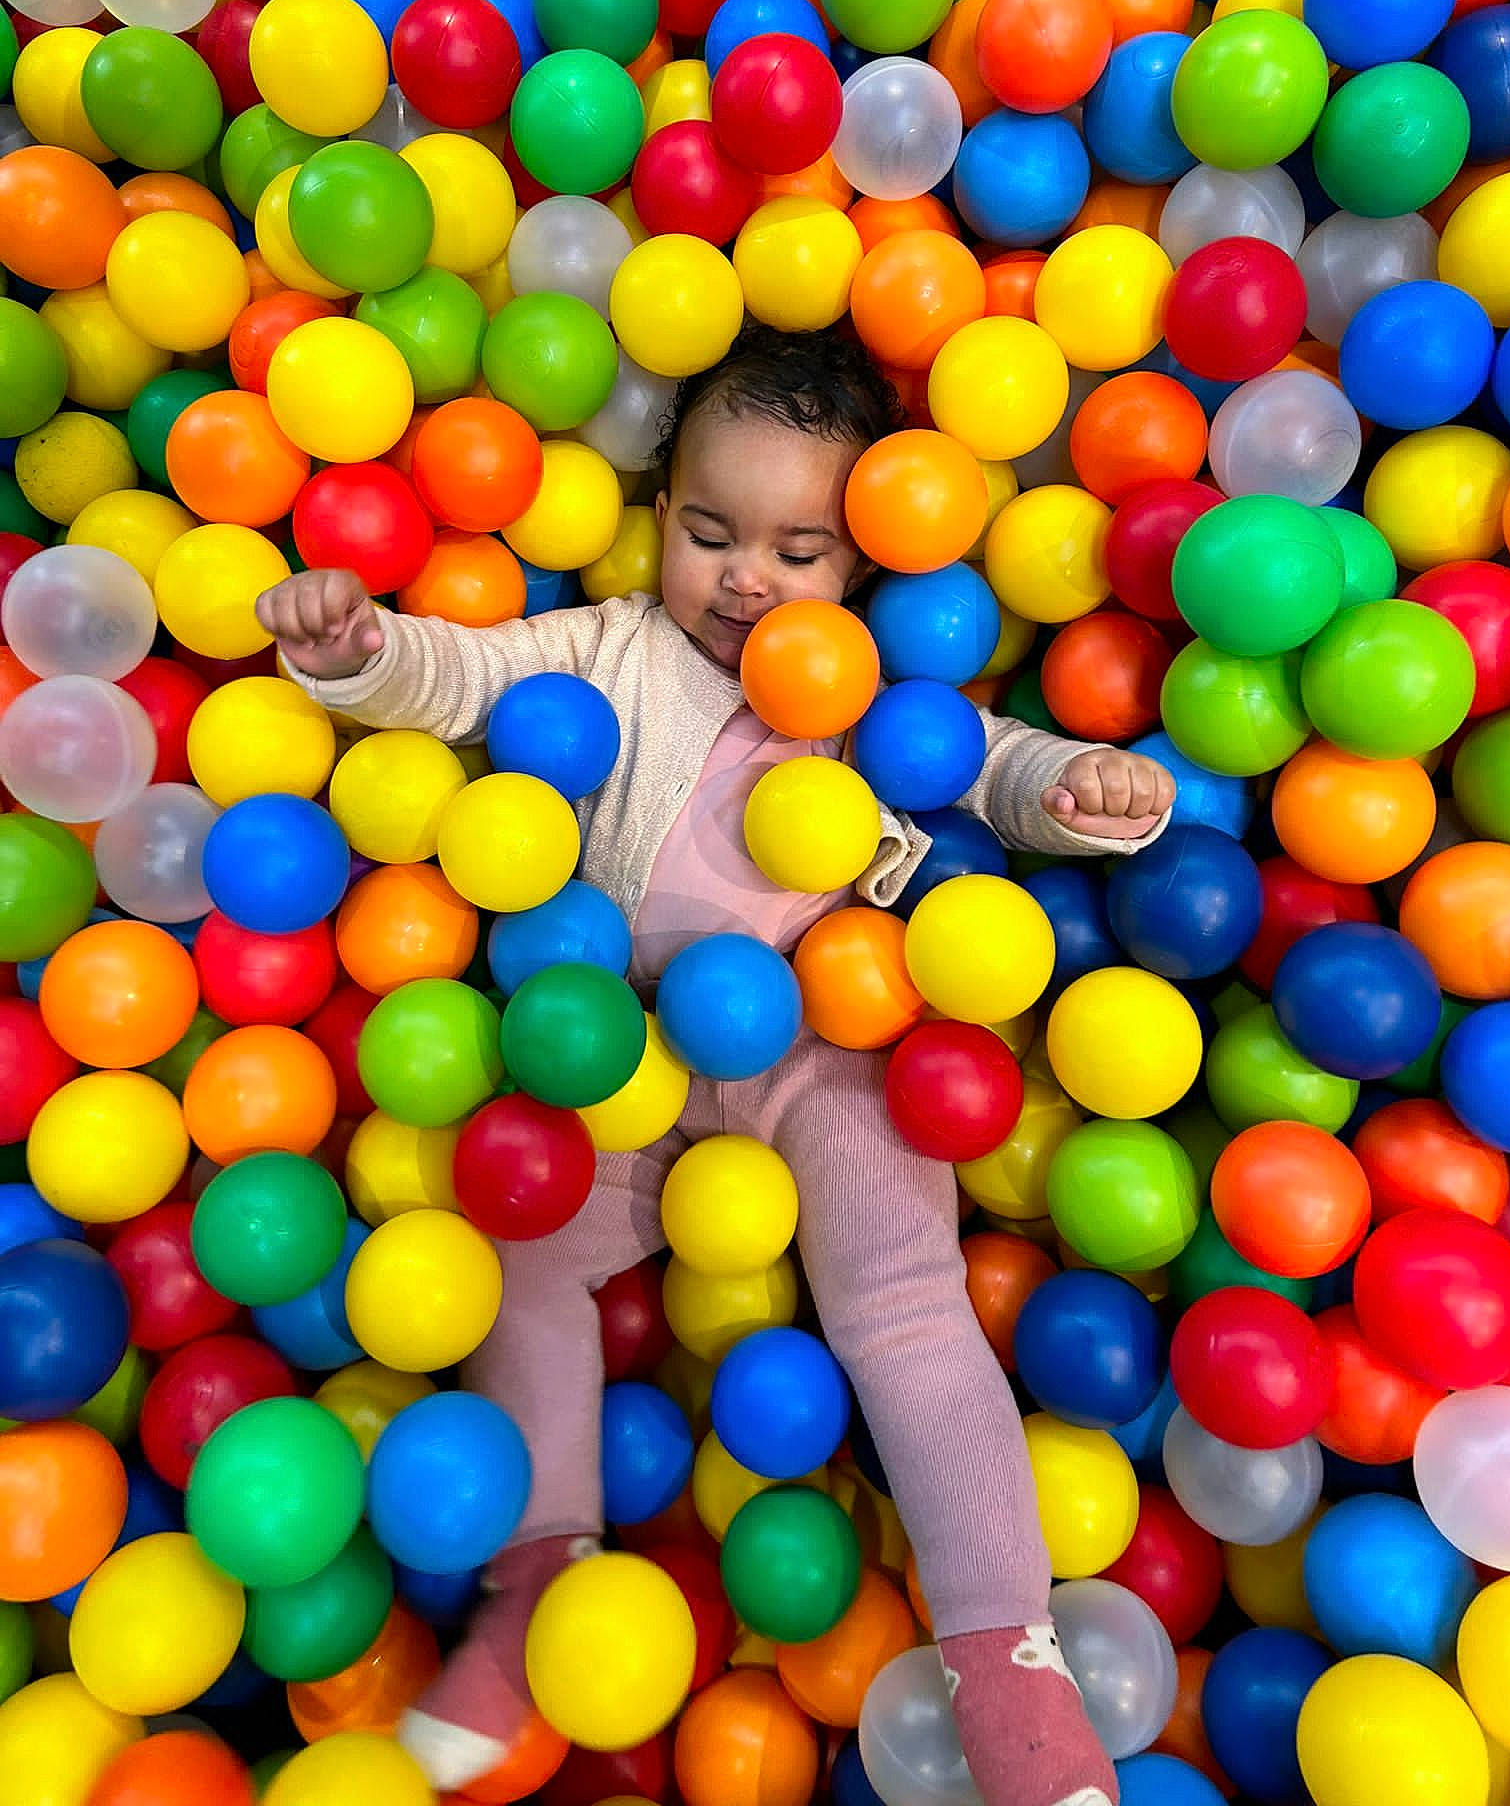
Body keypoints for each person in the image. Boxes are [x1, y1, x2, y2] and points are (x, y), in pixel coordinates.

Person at [258, 323, 1175, 1806]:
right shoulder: (612, 649)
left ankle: (1009, 1659)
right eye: (709, 533)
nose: (748, 578)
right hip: (626, 1057)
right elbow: (465, 676)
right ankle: (537, 1586)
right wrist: (361, 651)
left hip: (831, 1047)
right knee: (517, 1256)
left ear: (863, 560)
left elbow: (989, 760)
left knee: (904, 1299)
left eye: (798, 552)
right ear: (659, 511)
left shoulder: (872, 689)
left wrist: (1082, 788)